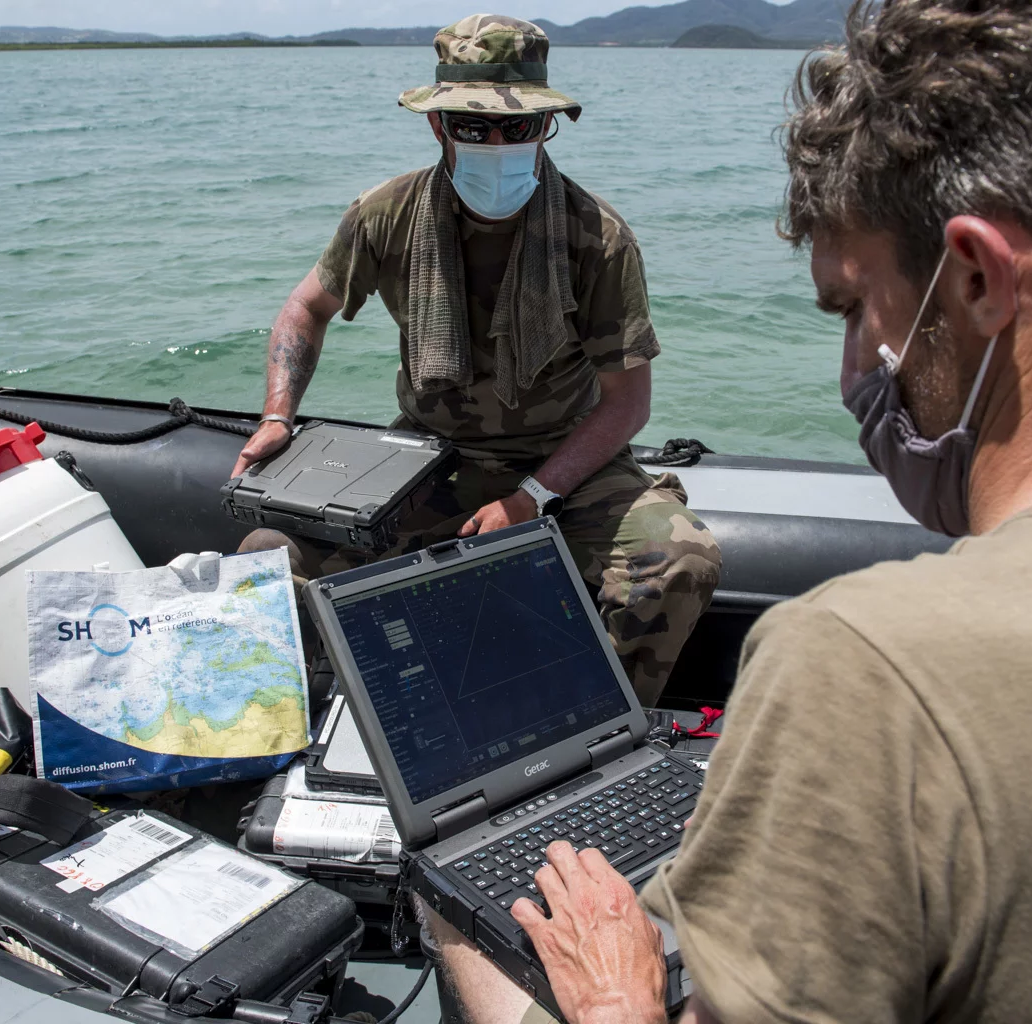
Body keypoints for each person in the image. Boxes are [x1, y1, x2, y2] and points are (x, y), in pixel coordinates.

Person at [428, 1, 1032, 1021]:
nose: (852, 369)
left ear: (972, 278)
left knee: (454, 911)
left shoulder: (865, 671)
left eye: (851, 306)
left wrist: (609, 996)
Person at [230, 14, 720, 707]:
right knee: (266, 562)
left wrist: (532, 498)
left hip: (567, 466)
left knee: (679, 560)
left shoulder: (597, 238)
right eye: (474, 125)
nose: (498, 143)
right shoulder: (385, 214)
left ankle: (590, 726)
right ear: (439, 126)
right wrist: (278, 417)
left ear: (544, 127)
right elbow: (304, 309)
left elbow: (626, 403)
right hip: (430, 459)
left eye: (518, 128)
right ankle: (353, 727)